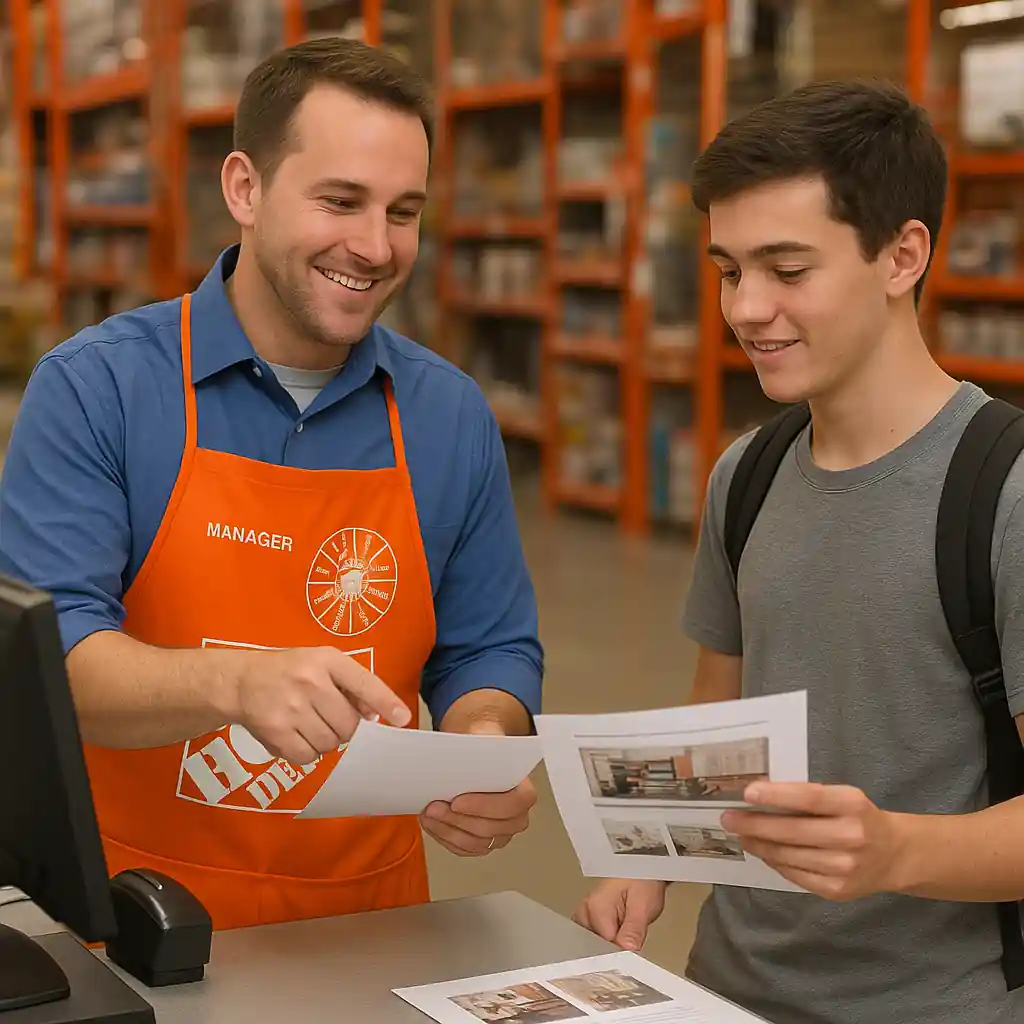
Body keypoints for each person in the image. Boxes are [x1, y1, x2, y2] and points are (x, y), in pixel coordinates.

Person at [0, 38, 542, 931]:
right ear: (244, 188)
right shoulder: (101, 390)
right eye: (340, 201)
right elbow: (51, 666)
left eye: (403, 211)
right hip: (131, 921)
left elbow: (488, 651)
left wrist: (485, 743)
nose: (373, 247)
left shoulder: (449, 416)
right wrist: (236, 685)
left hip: (373, 930)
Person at [573, 79, 1024, 1023]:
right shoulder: (746, 474)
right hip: (726, 988)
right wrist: (650, 856)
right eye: (729, 269)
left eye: (788, 268)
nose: (745, 308)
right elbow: (715, 718)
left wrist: (897, 851)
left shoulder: (1005, 493)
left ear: (903, 256)